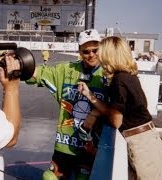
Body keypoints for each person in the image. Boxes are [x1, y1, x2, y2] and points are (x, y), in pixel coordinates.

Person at [78, 36, 162, 180]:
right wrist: (90, 95)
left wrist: (96, 113)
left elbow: (116, 120)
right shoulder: (127, 76)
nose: (97, 55)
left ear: (109, 55)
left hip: (141, 143)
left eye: (100, 51)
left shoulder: (119, 81)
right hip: (145, 139)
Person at [26, 29, 106, 179]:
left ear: (101, 48)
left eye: (95, 50)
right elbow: (37, 74)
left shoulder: (109, 74)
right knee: (49, 177)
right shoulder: (65, 70)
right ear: (80, 51)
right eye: (86, 51)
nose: (91, 54)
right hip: (65, 145)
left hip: (91, 147)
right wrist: (20, 65)